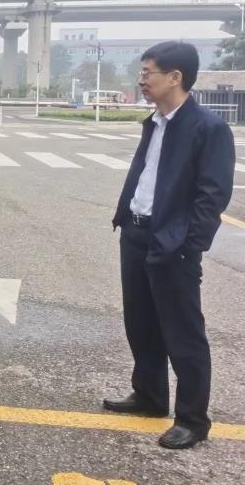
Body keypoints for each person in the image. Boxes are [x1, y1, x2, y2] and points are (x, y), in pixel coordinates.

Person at [102, 41, 233, 450]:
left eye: (148, 73)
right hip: (136, 233)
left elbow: (213, 196)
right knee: (140, 323)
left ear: (175, 77)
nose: (141, 80)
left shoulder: (207, 128)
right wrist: (126, 219)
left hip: (173, 244)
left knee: (183, 333)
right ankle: (149, 395)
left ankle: (193, 419)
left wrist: (188, 244)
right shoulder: (155, 122)